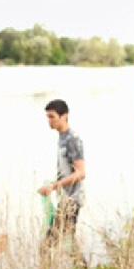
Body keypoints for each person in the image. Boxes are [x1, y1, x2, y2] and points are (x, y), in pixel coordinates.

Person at [37, 99, 86, 255]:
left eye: (52, 117)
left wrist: (54, 186)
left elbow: (80, 173)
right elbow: (67, 172)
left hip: (72, 200)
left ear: (64, 116)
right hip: (66, 198)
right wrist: (52, 184)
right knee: (70, 243)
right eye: (47, 117)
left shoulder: (72, 139)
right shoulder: (62, 137)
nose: (49, 121)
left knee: (46, 246)